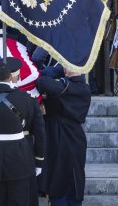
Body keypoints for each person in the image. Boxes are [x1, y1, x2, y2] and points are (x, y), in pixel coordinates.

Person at [0, 59, 45, 205]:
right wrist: (39, 161)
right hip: (20, 158)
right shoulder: (27, 99)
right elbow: (40, 133)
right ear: (11, 77)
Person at [36, 67, 91, 205]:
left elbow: (42, 82)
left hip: (64, 137)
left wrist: (59, 70)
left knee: (64, 182)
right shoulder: (76, 85)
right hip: (65, 136)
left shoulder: (71, 86)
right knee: (61, 178)